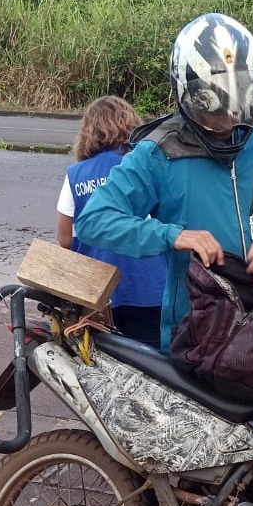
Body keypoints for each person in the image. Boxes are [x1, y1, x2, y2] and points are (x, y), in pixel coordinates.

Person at [74, 13, 253, 354]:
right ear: (189, 97)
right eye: (215, 106)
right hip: (196, 333)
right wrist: (172, 236)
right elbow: (93, 221)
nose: (230, 117)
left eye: (239, 100)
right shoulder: (158, 153)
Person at [56, 96, 167, 349]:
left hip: (99, 293)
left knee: (107, 362)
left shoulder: (76, 174)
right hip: (150, 287)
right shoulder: (144, 165)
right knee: (154, 364)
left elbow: (65, 239)